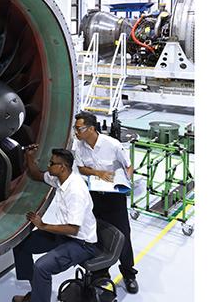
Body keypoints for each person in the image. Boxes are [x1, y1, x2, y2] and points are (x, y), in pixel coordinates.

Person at [12, 146, 97, 302]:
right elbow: (36, 174)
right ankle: (37, 292)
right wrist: (29, 156)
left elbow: (73, 228)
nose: (48, 166)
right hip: (64, 236)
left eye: (51, 163)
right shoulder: (60, 179)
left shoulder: (75, 191)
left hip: (81, 243)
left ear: (62, 167)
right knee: (21, 244)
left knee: (42, 267)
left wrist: (43, 226)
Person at [72, 111, 139, 293]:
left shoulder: (112, 145)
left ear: (91, 129)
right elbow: (81, 168)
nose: (76, 132)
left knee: (123, 235)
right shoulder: (79, 146)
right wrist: (98, 173)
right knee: (97, 234)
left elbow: (128, 165)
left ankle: (128, 273)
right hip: (94, 197)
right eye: (75, 128)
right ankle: (101, 273)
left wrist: (126, 181)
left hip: (114, 197)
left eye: (79, 128)